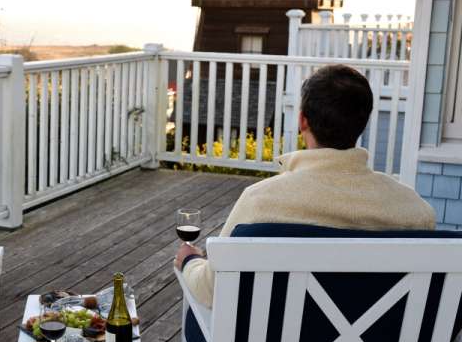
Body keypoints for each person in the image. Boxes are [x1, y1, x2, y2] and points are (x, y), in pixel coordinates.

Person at [175, 64, 436, 307]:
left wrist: (190, 260)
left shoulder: (260, 202)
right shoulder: (416, 211)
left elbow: (212, 289)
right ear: (362, 123)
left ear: (302, 121)